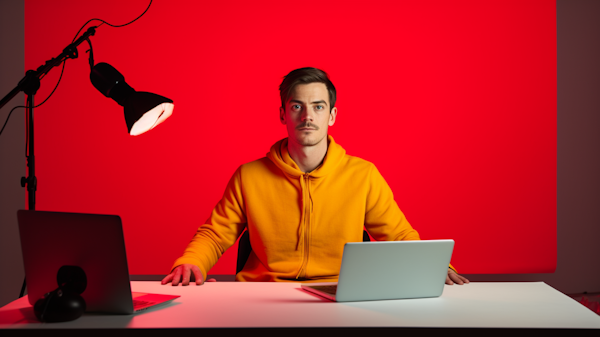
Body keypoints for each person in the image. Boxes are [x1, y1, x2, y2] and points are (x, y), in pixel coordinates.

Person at [162, 67, 469, 286]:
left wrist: (432, 267)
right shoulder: (249, 175)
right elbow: (215, 234)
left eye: (318, 107)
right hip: (260, 295)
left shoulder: (362, 175)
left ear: (331, 116)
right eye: (297, 106)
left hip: (338, 296)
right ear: (283, 114)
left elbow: (398, 236)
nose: (307, 117)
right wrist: (191, 262)